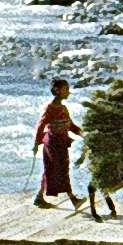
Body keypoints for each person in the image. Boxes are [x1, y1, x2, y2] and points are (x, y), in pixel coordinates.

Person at [33, 79, 82, 210]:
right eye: (66, 89)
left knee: (56, 170)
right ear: (57, 91)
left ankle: (39, 197)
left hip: (61, 144)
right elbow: (41, 126)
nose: (69, 92)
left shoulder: (63, 108)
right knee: (57, 170)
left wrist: (85, 134)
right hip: (52, 145)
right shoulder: (50, 109)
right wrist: (36, 144)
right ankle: (73, 200)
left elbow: (71, 126)